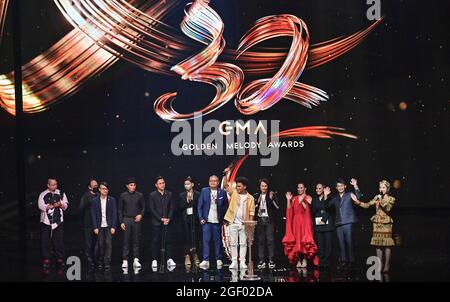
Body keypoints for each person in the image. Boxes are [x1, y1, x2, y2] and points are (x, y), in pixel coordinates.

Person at [355, 180, 395, 273]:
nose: (381, 189)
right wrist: (358, 202)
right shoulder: (377, 197)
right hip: (377, 224)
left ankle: (387, 265)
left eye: (383, 187)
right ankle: (379, 264)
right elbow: (367, 204)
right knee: (378, 245)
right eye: (380, 187)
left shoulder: (391, 199)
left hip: (386, 224)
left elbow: (387, 207)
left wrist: (380, 199)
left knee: (387, 245)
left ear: (387, 189)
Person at [282, 182, 318, 268]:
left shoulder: (308, 197)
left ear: (305, 188)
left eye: (301, 187)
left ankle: (305, 259)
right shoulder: (294, 198)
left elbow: (309, 210)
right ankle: (298, 260)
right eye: (298, 187)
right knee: (296, 240)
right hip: (296, 223)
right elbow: (289, 210)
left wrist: (302, 201)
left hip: (305, 221)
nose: (299, 189)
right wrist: (288, 200)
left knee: (305, 240)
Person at [223, 176, 256, 270]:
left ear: (245, 187)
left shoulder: (250, 198)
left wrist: (249, 224)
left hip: (244, 223)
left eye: (239, 186)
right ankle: (234, 261)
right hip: (233, 222)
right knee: (233, 243)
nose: (237, 188)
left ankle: (242, 261)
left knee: (243, 243)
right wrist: (226, 174)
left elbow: (251, 212)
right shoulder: (234, 193)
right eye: (237, 186)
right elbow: (225, 185)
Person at [330, 178, 362, 271]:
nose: (340, 187)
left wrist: (355, 185)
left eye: (342, 186)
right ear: (336, 187)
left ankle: (351, 261)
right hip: (339, 223)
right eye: (338, 186)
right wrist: (325, 195)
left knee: (349, 242)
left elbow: (359, 197)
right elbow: (327, 205)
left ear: (345, 186)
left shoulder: (349, 194)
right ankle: (344, 261)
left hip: (348, 222)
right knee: (341, 243)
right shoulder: (334, 198)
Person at [197, 175, 228, 269]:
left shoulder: (222, 192)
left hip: (217, 221)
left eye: (215, 181)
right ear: (209, 182)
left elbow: (225, 207)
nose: (212, 182)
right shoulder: (204, 191)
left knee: (217, 241)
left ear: (218, 182)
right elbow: (199, 206)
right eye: (211, 181)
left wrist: (223, 219)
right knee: (206, 241)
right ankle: (206, 260)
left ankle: (218, 259)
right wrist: (201, 218)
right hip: (206, 221)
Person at [38, 178, 69, 270]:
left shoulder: (61, 193)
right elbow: (40, 205)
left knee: (58, 241)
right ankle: (46, 259)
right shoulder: (43, 194)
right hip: (46, 222)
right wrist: (51, 206)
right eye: (52, 184)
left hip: (58, 221)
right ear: (48, 185)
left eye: (56, 184)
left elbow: (66, 205)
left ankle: (60, 259)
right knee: (45, 241)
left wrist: (61, 205)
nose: (54, 186)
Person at [148, 176, 176, 270]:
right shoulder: (152, 195)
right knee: (155, 241)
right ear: (156, 185)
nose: (162, 184)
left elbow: (172, 207)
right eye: (160, 183)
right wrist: (161, 219)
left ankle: (169, 258)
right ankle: (154, 259)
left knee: (168, 240)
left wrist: (169, 218)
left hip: (167, 222)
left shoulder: (169, 194)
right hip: (157, 222)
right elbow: (152, 209)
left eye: (163, 183)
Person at [118, 177, 145, 269]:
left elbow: (143, 207)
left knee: (136, 240)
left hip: (136, 220)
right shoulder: (123, 195)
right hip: (126, 219)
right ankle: (125, 260)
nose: (133, 187)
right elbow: (120, 209)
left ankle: (136, 259)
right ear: (127, 186)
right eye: (131, 185)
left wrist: (141, 215)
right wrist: (121, 221)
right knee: (126, 240)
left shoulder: (139, 195)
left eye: (134, 185)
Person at [91, 181, 117, 271]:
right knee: (100, 244)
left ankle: (107, 262)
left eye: (106, 189)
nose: (105, 190)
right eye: (103, 189)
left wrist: (113, 226)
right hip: (99, 226)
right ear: (99, 189)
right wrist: (95, 227)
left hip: (108, 226)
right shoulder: (95, 201)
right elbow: (93, 214)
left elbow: (114, 214)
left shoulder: (112, 200)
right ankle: (100, 261)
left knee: (108, 244)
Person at [253, 178, 279, 269]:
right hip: (260, 220)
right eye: (262, 186)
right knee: (260, 240)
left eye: (265, 186)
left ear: (268, 187)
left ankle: (271, 260)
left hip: (269, 220)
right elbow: (253, 208)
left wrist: (270, 199)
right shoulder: (256, 195)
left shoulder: (272, 194)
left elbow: (277, 208)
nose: (264, 187)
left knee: (270, 240)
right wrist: (258, 201)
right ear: (259, 187)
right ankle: (262, 260)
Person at [179, 176, 201, 267]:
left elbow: (199, 206)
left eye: (188, 184)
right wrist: (187, 201)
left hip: (195, 218)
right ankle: (187, 256)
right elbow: (180, 207)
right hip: (185, 219)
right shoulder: (181, 195)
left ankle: (195, 255)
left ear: (192, 184)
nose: (186, 186)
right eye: (185, 184)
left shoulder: (197, 194)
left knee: (195, 237)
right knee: (186, 237)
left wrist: (192, 200)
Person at [310, 183, 333, 270]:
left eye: (320, 188)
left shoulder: (329, 198)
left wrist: (326, 197)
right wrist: (320, 209)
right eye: (317, 188)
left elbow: (328, 209)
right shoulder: (314, 200)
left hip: (327, 225)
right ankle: (321, 262)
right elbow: (312, 212)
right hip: (318, 226)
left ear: (324, 189)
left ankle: (327, 262)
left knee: (328, 245)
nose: (318, 190)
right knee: (320, 245)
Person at [79, 179, 98, 270]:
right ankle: (89, 259)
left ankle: (95, 258)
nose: (95, 187)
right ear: (89, 187)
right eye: (93, 185)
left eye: (96, 185)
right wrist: (87, 203)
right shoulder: (86, 196)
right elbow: (80, 208)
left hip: (98, 223)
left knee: (97, 242)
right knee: (89, 242)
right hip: (89, 223)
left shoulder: (99, 195)